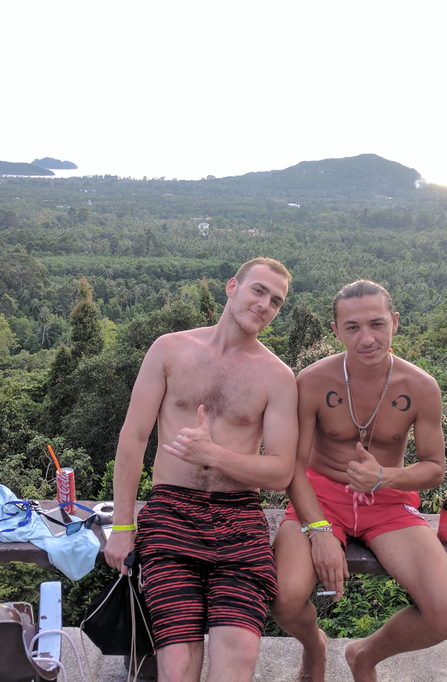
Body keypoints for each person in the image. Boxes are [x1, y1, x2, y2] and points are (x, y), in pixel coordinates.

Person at [103, 257, 299, 682]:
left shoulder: (278, 377)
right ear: (232, 287)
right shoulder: (170, 349)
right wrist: (122, 526)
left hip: (240, 518)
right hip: (170, 512)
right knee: (176, 666)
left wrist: (215, 455)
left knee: (237, 660)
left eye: (277, 301)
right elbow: (133, 438)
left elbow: (281, 472)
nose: (265, 304)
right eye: (258, 290)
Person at [271, 279, 447, 682]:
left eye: (377, 324)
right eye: (353, 327)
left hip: (389, 502)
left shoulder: (420, 387)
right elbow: (290, 466)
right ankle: (315, 647)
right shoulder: (312, 381)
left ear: (395, 323)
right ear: (336, 330)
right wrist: (319, 529)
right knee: (285, 599)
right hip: (320, 496)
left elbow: (434, 469)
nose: (367, 338)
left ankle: (364, 654)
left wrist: (384, 476)